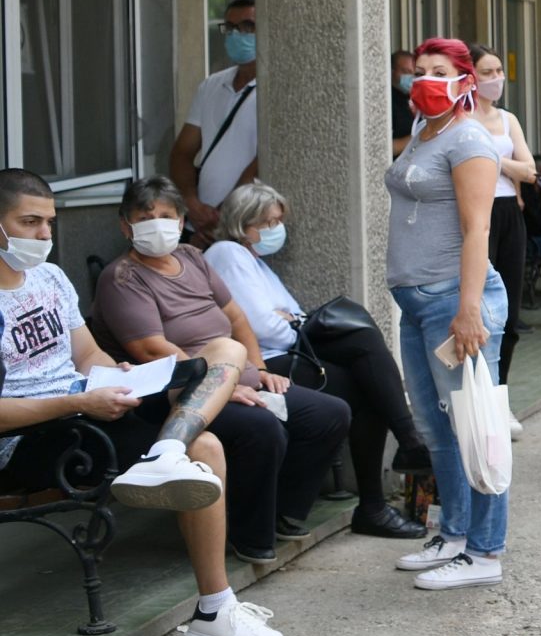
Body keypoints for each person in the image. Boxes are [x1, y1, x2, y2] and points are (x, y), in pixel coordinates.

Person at [0, 169, 284, 636]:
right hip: (34, 433)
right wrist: (80, 401)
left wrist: (121, 374)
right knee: (209, 444)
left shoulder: (49, 277)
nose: (45, 235)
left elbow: (88, 357)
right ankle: (215, 607)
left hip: (87, 406)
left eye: (49, 222)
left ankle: (171, 455)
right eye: (30, 223)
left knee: (223, 351)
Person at [95, 176, 351, 563]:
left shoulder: (193, 258)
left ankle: (279, 512)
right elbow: (150, 349)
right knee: (262, 429)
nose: (157, 223)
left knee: (329, 414)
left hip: (237, 375)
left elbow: (236, 317)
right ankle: (247, 535)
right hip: (178, 392)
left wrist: (260, 369)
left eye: (166, 215)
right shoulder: (122, 278)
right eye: (145, 217)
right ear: (124, 225)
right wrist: (223, 388)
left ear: (181, 221)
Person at [205, 180, 429, 540]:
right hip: (262, 366)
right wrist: (290, 322)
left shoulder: (256, 261)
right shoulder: (226, 254)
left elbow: (292, 314)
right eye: (267, 222)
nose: (276, 230)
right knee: (364, 362)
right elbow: (264, 326)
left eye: (278, 221)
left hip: (285, 356)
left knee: (366, 363)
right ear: (241, 222)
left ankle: (394, 470)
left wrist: (289, 320)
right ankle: (403, 454)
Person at [383, 38, 510, 587]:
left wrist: (468, 310)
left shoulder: (470, 139)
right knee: (437, 428)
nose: (425, 79)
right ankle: (455, 534)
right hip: (415, 303)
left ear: (465, 81)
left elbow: (477, 229)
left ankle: (484, 552)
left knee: (475, 427)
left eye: (440, 71)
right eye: (419, 71)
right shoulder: (422, 132)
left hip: (452, 302)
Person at [467, 46, 540, 383]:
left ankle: (500, 391)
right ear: (471, 76)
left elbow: (529, 171)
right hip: (475, 211)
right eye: (487, 72)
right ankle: (474, 390)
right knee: (477, 306)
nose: (496, 78)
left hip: (509, 212)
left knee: (507, 309)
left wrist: (492, 160)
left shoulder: (508, 119)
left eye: (499, 71)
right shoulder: (462, 118)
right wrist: (505, 166)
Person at [172, 0, 260, 241]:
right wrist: (190, 202)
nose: (236, 35)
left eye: (248, 26)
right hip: (199, 223)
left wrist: (226, 212)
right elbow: (182, 152)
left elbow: (263, 161)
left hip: (243, 223)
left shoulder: (274, 90)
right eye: (230, 28)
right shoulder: (212, 85)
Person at [390, 48, 417, 153]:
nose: (411, 77)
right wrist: (418, 138)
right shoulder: (388, 103)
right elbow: (384, 148)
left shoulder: (414, 99)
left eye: (414, 73)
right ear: (392, 71)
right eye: (406, 71)